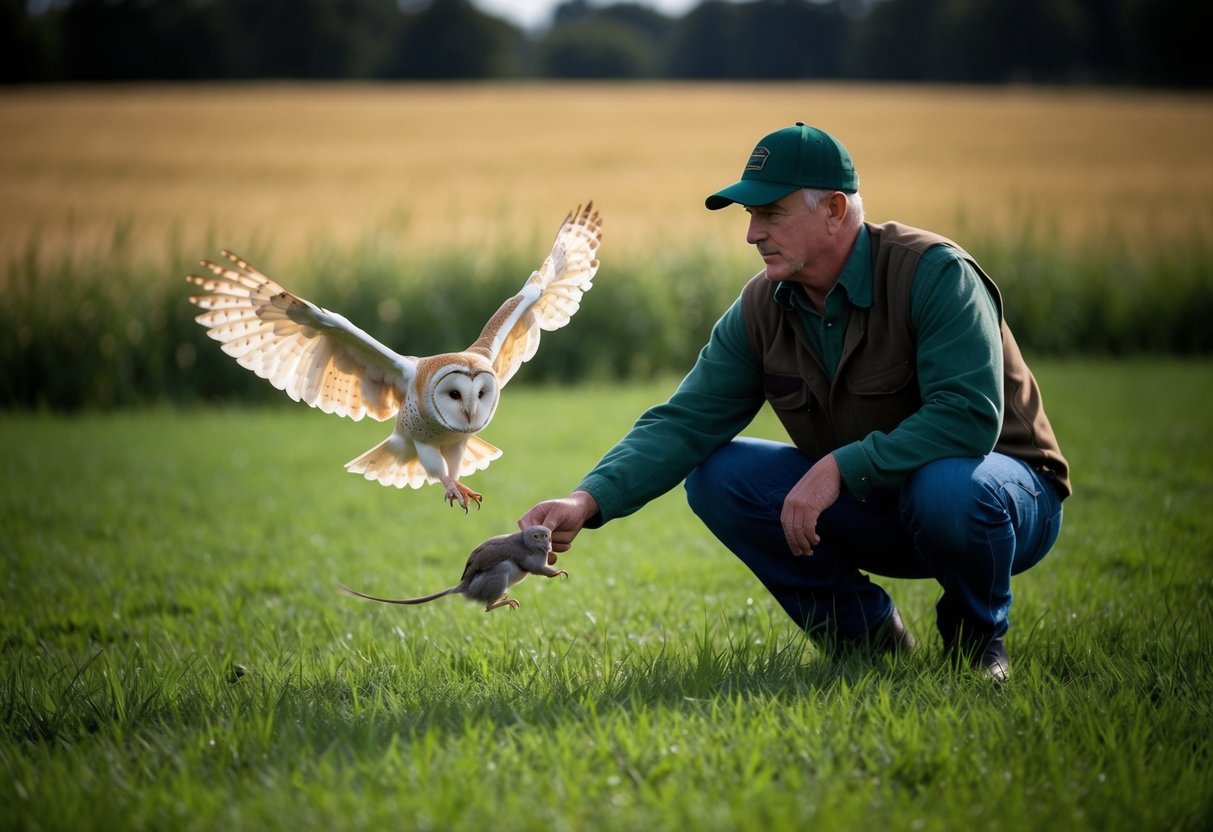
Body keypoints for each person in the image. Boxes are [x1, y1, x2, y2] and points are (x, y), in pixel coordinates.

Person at [519, 122, 1069, 681]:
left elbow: (967, 418)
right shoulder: (761, 306)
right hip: (882, 507)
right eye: (749, 217)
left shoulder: (936, 275)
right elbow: (684, 422)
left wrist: (839, 466)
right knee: (718, 475)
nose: (752, 234)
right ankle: (867, 641)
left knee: (947, 486)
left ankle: (977, 650)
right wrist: (585, 501)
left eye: (771, 214)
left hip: (1002, 501)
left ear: (834, 209)